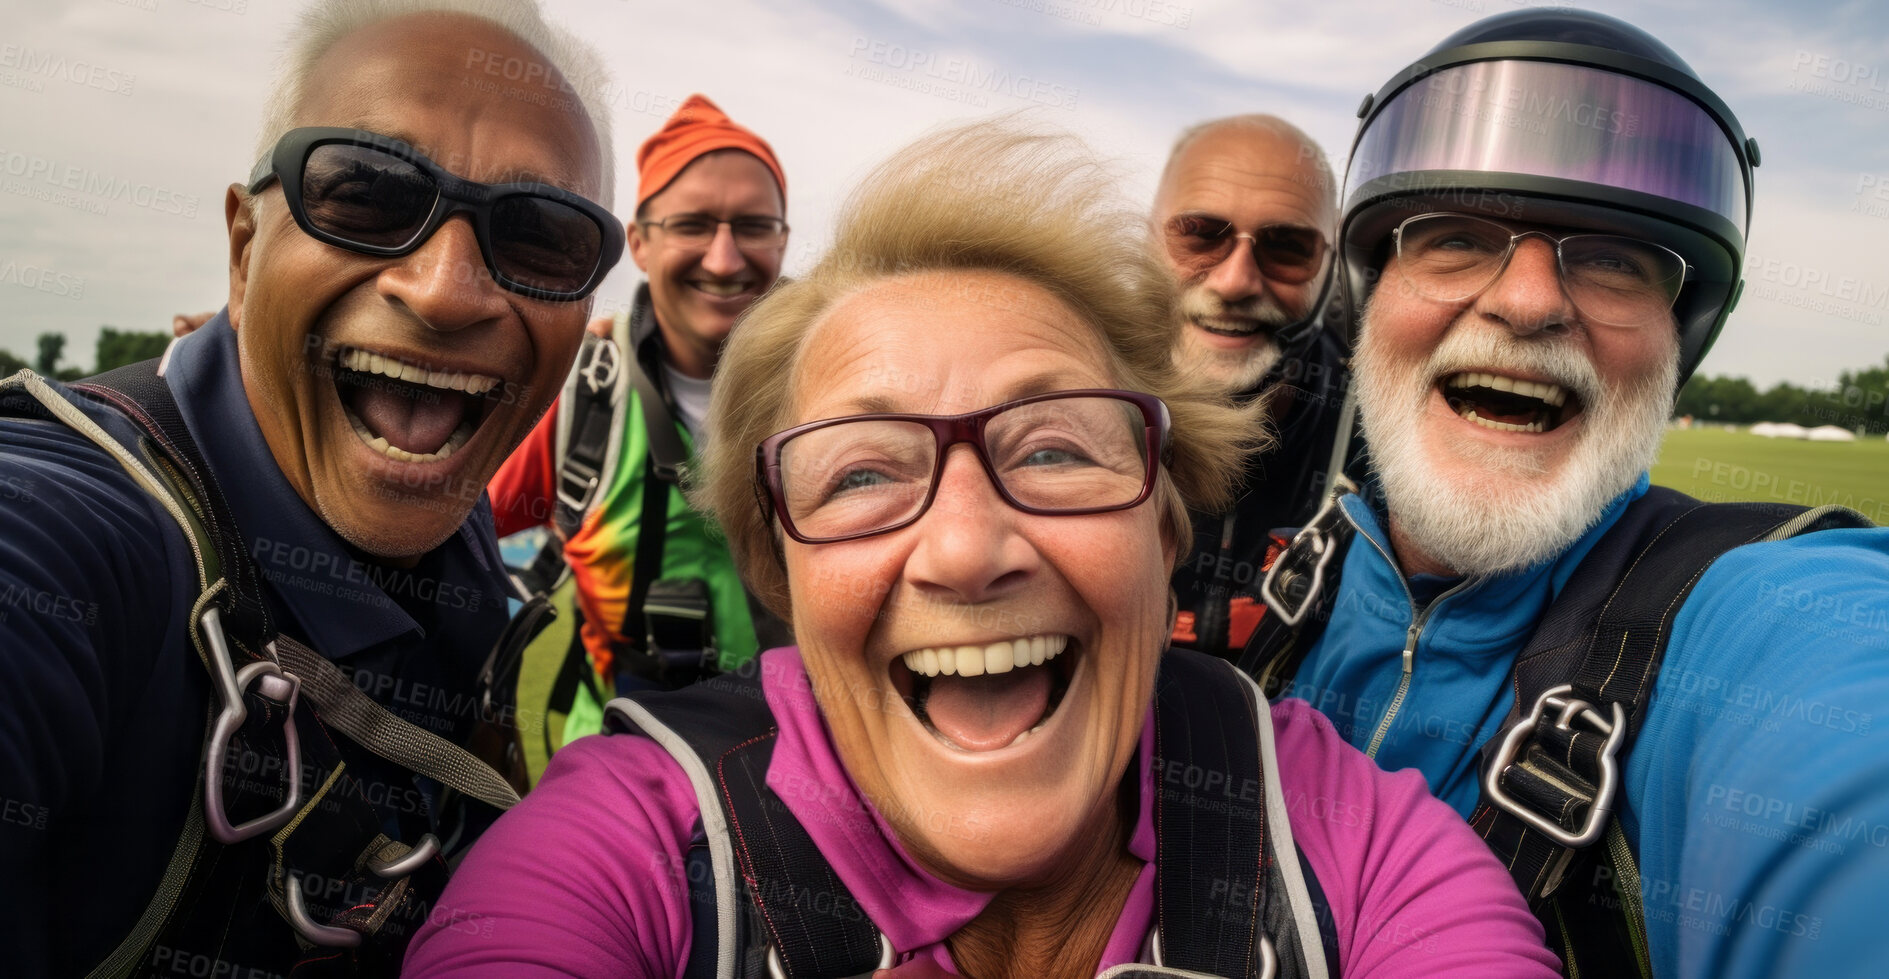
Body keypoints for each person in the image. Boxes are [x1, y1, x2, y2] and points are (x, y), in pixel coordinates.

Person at [405, 123, 1563, 978]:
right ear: (781, 564)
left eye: (1057, 450)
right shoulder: (635, 839)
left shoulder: (1352, 852)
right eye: (858, 473)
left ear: (1167, 521)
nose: (964, 548)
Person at [1243, 7, 1889, 977]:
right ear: (1362, 297)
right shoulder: (1309, 571)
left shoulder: (1761, 618)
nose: (1529, 302)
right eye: (1454, 237)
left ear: (1679, 343)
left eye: (1614, 259)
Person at [0, 0, 620, 976]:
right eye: (366, 194)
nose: (446, 290)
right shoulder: (64, 541)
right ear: (243, 251)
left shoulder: (448, 515)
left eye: (541, 236)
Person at [487, 94, 790, 750]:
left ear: (783, 240)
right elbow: (442, 533)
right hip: (622, 770)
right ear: (641, 244)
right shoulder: (579, 386)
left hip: (814, 776)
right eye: (693, 225)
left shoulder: (845, 386)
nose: (724, 258)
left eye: (754, 226)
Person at [1151, 116, 1359, 661]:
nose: (1235, 281)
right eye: (1198, 234)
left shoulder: (1387, 442)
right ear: (1146, 239)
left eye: (1288, 247)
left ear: (1330, 273)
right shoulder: (1064, 402)